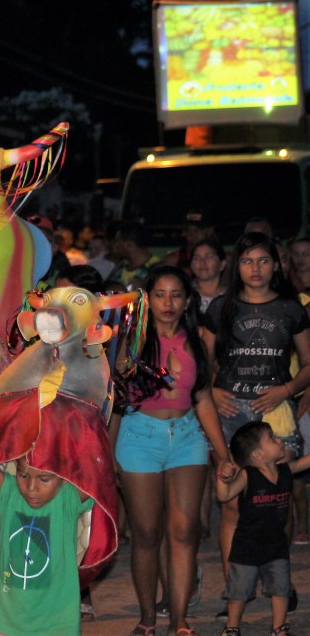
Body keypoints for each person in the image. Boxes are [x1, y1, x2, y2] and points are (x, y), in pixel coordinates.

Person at [115, 265, 231, 636]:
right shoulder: (132, 338)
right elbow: (117, 387)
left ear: (188, 301)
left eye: (176, 295)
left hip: (187, 437)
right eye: (160, 294)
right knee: (147, 534)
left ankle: (180, 621)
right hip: (140, 436)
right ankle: (148, 618)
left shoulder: (197, 339)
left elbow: (203, 398)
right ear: (148, 300)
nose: (168, 302)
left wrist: (223, 455)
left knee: (184, 531)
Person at [201, 232, 310, 618]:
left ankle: (280, 582)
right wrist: (213, 392)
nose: (256, 269)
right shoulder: (221, 308)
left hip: (275, 415)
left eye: (264, 260)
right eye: (248, 261)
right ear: (237, 266)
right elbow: (201, 364)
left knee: (277, 503)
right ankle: (237, 591)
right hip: (231, 414)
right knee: (233, 506)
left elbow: (308, 363)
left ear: (276, 265)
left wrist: (287, 389)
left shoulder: (291, 308)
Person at [0, 456, 93, 636]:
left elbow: (98, 469)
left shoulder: (68, 499)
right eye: (23, 475)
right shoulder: (9, 492)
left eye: (44, 479)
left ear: (65, 478)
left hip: (59, 619)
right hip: (11, 618)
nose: (31, 487)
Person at [217, 422, 310, 636]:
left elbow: (305, 461)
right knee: (239, 592)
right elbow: (224, 495)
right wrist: (222, 478)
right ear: (258, 454)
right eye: (272, 438)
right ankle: (232, 627)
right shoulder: (248, 475)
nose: (279, 440)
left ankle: (279, 628)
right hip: (246, 545)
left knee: (281, 588)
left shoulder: (286, 471)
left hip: (276, 544)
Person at [109, 221, 161, 291]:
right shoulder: (121, 266)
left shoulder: (156, 269)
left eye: (118, 241)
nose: (115, 245)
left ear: (129, 245)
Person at [191, 238, 228, 314]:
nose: (202, 262)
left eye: (209, 257)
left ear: (222, 264)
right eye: (196, 258)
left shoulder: (232, 296)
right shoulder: (185, 295)